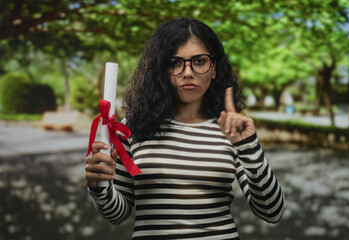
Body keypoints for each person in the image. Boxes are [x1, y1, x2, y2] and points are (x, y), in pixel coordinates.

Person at [85, 18, 285, 239]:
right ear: (161, 70)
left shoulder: (231, 131)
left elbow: (271, 211)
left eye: (199, 61)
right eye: (175, 62)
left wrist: (249, 146)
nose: (187, 72)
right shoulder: (131, 129)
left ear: (214, 68)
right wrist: (99, 187)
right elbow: (118, 215)